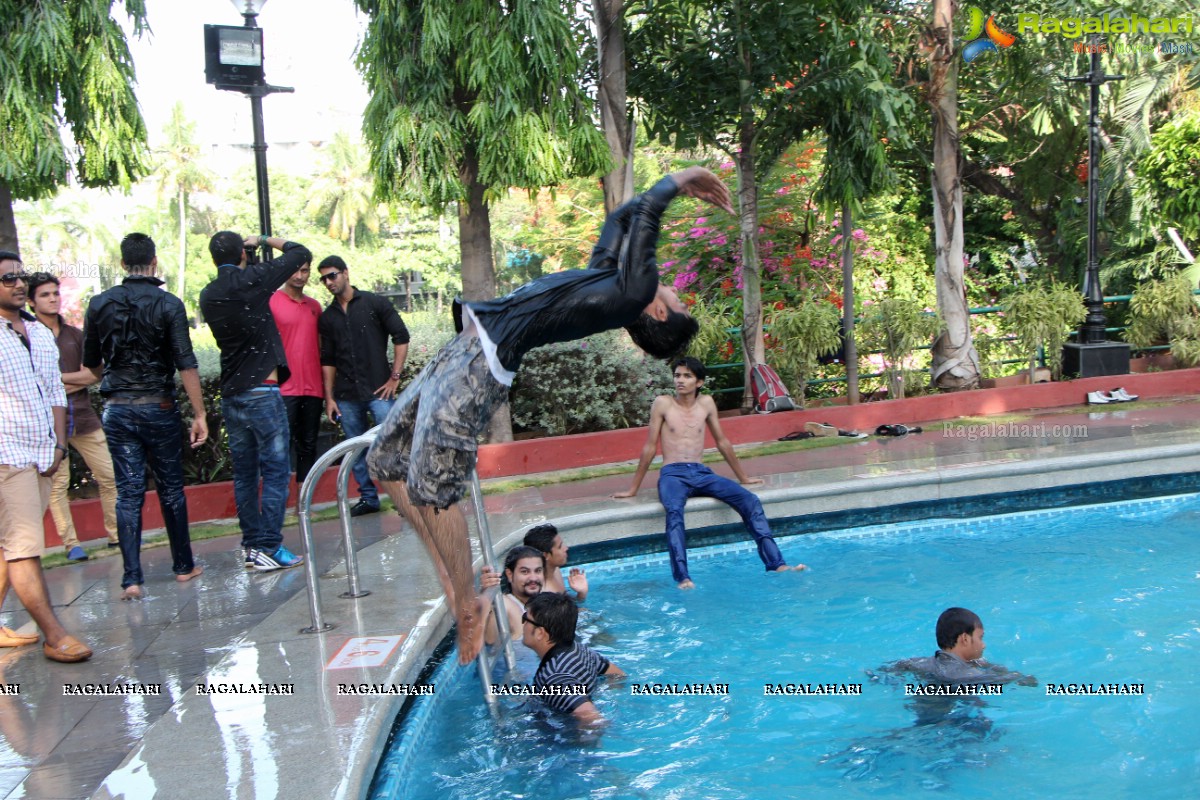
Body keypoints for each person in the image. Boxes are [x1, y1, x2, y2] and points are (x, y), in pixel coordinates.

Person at [367, 166, 732, 663]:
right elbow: (623, 218)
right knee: (383, 459)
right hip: (465, 347)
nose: (673, 290)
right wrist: (661, 195)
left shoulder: (634, 292)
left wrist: (683, 178)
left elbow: (647, 213)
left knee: (435, 486)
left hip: (482, 365)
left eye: (677, 300)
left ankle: (470, 603)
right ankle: (450, 575)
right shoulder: (611, 280)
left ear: (660, 314)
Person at [74, 234, 207, 599]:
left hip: (118, 410)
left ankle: (131, 578)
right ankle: (183, 566)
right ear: (154, 262)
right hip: (159, 406)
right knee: (170, 489)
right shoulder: (169, 304)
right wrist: (199, 413)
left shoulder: (100, 304)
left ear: (122, 265)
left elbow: (90, 363)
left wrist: (114, 382)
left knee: (128, 493)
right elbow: (186, 363)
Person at [613, 356, 806, 588]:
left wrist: (743, 478)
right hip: (672, 474)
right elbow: (649, 447)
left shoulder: (706, 404)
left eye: (687, 376)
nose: (680, 381)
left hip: (700, 472)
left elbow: (722, 441)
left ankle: (777, 564)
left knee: (750, 500)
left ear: (699, 382)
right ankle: (683, 577)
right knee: (674, 512)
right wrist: (632, 489)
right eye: (677, 375)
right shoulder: (663, 403)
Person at [199, 232, 312, 572]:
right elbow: (299, 251)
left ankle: (252, 547)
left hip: (232, 393)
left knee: (245, 475)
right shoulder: (254, 281)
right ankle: (270, 546)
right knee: (276, 471)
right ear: (242, 254)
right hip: (263, 390)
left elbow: (243, 285)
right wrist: (263, 239)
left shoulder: (208, 294)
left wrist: (245, 257)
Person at [0, 252, 92, 661]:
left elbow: (54, 389)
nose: (19, 285)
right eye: (8, 280)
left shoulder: (36, 331)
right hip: (6, 454)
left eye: (21, 277)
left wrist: (57, 444)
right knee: (23, 548)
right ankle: (54, 635)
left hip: (41, 452)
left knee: (9, 547)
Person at [26, 272, 119, 561]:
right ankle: (71, 544)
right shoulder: (25, 336)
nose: (53, 298)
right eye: (44, 294)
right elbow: (30, 383)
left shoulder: (76, 335)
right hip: (50, 424)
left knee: (110, 476)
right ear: (31, 301)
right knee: (58, 486)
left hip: (84, 417)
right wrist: (65, 383)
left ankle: (117, 535)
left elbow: (94, 374)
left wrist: (53, 382)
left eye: (55, 293)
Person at [317, 255, 410, 517]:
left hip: (379, 390)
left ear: (346, 273)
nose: (328, 282)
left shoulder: (374, 303)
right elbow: (328, 360)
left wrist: (395, 376)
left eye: (332, 275)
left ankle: (404, 499)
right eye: (323, 278)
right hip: (346, 394)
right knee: (355, 448)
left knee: (391, 444)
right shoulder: (328, 318)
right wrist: (330, 398)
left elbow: (401, 336)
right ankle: (368, 498)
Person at [524, 592, 624, 724]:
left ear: (540, 633)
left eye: (525, 619)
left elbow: (593, 719)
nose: (523, 624)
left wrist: (582, 740)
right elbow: (618, 674)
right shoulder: (580, 649)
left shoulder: (554, 676)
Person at [269, 259, 324, 486]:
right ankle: (278, 501)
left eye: (305, 271)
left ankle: (304, 501)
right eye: (295, 270)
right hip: (285, 387)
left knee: (309, 444)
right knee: (281, 444)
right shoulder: (272, 301)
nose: (300, 276)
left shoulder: (315, 306)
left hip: (313, 387)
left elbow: (321, 346)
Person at [885, 607, 1038, 688]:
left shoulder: (920, 663)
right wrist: (1017, 677)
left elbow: (892, 668)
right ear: (965, 638)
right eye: (980, 638)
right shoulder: (962, 673)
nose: (983, 645)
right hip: (950, 722)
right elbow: (982, 679)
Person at [484, 545, 545, 644]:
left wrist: (580, 594)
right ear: (509, 574)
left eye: (538, 571)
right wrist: (487, 597)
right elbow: (489, 642)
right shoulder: (504, 604)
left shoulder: (545, 601)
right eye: (525, 572)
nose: (533, 578)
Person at [524, 523, 588, 601]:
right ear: (546, 555)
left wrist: (582, 592)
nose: (566, 548)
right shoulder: (544, 596)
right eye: (560, 546)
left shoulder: (555, 569)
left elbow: (568, 607)